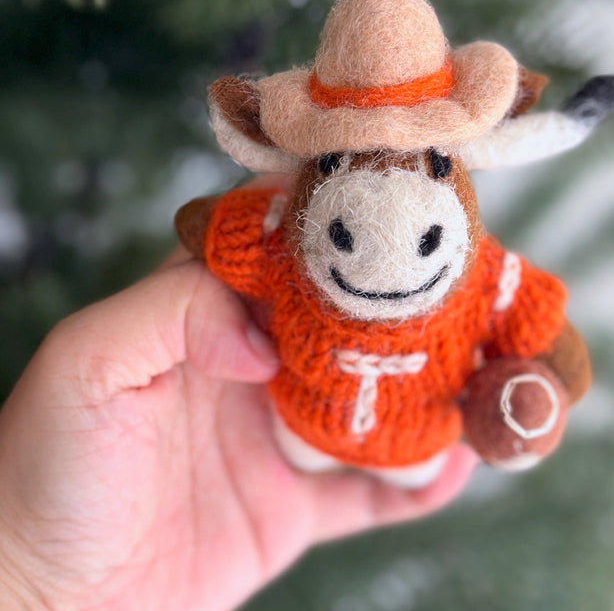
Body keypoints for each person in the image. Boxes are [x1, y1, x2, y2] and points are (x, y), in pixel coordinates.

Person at [0, 176, 476, 611]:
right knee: (311, 448)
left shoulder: (479, 273)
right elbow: (237, 233)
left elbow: (524, 312)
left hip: (416, 436)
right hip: (298, 428)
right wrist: (23, 571)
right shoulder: (292, 240)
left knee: (422, 465)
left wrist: (28, 578)